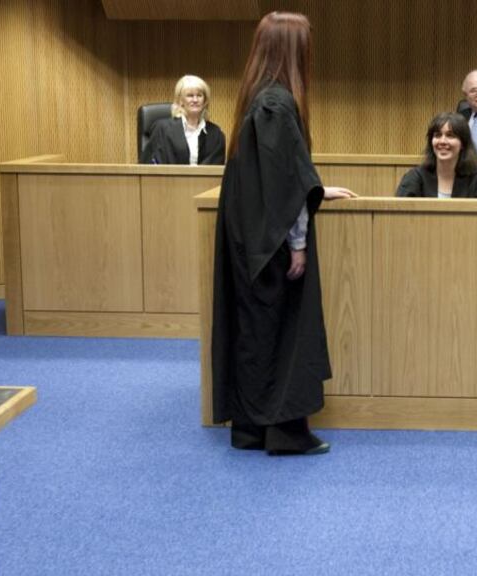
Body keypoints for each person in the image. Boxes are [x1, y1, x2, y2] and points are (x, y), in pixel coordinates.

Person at [211, 12, 355, 456]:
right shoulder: (278, 103)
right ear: (292, 50)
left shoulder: (255, 98)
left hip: (247, 238)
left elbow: (277, 175)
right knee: (284, 330)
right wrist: (296, 244)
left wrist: (317, 188)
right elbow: (285, 182)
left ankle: (252, 428)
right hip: (271, 243)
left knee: (255, 330)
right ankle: (287, 433)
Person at [396, 112, 477, 199]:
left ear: (463, 144)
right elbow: (400, 213)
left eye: (450, 136)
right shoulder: (416, 176)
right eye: (437, 135)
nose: (442, 141)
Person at [139, 75, 226, 165]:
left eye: (199, 95)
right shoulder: (163, 130)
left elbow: (216, 170)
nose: (195, 100)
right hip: (168, 179)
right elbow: (148, 165)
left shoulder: (216, 134)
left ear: (204, 101)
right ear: (180, 100)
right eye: (190, 95)